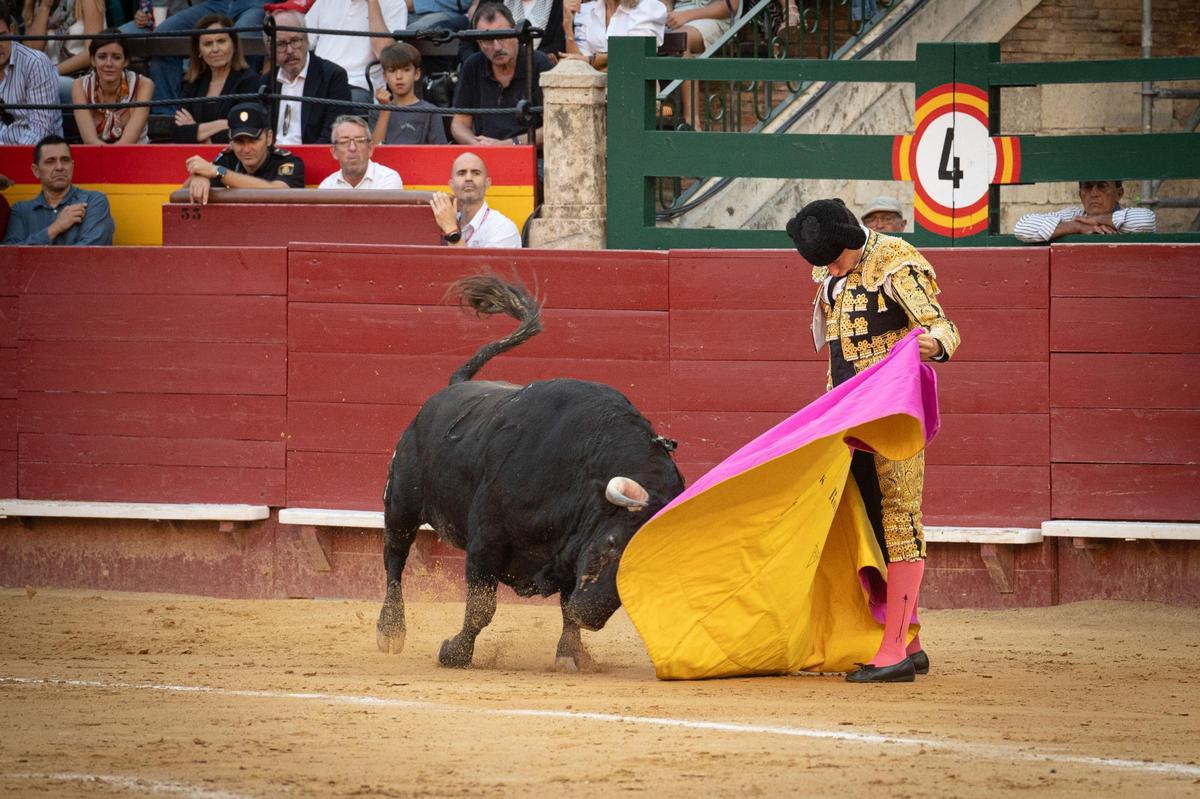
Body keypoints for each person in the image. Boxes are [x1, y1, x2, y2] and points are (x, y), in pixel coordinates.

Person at [786, 197, 959, 683]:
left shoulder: (895, 262)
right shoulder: (829, 272)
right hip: (846, 416)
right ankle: (911, 641)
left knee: (900, 520)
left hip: (892, 415)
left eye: (833, 258)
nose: (828, 268)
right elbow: (836, 356)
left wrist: (933, 344)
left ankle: (893, 653)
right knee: (863, 520)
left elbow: (944, 327)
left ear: (848, 240)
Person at [451, 3, 551, 147]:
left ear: (516, 34)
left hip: (532, 155)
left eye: (503, 36)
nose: (497, 47)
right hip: (485, 153)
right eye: (488, 40)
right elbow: (459, 123)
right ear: (479, 42)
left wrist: (508, 144)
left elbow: (553, 126)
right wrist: (475, 143)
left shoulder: (539, 63)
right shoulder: (473, 65)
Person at [142, 0, 264, 106]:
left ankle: (241, 110)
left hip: (255, 3)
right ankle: (166, 114)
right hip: (216, 3)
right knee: (162, 36)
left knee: (242, 38)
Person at [182, 102, 306, 205]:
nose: (246, 149)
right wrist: (198, 177)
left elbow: (280, 192)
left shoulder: (287, 162)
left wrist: (218, 172)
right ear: (230, 140)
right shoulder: (227, 159)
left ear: (269, 138)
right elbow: (179, 196)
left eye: (254, 140)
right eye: (239, 142)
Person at [4, 134, 114, 245]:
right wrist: (54, 228)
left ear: (72, 166)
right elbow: (9, 256)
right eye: (50, 161)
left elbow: (90, 254)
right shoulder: (21, 211)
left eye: (65, 160)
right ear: (36, 170)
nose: (59, 167)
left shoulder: (93, 202)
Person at [263, 11, 352, 146]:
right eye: (281, 44)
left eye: (295, 41)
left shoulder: (333, 76)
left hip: (312, 158)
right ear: (270, 50)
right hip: (272, 160)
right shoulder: (265, 82)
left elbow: (334, 133)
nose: (290, 50)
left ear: (306, 40)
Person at [172, 14, 261, 143]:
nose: (215, 49)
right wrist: (223, 124)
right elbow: (177, 132)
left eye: (221, 41)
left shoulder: (248, 81)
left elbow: (243, 130)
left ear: (234, 44)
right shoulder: (193, 82)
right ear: (199, 50)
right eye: (208, 44)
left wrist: (195, 130)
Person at [305, 0, 407, 106]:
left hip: (358, 86)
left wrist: (372, 2)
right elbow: (303, 40)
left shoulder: (395, 3)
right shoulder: (325, 2)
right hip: (319, 80)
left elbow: (386, 55)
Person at [70, 31, 154, 144]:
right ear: (92, 60)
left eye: (116, 57)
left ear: (126, 61)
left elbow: (128, 142)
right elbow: (90, 140)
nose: (109, 63)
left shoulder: (144, 85)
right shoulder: (79, 86)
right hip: (97, 156)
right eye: (102, 57)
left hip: (136, 156)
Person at [0, 1, 63, 144]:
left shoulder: (35, 63)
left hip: (38, 156)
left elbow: (40, 131)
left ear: (11, 30)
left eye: (1, 36)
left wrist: (9, 158)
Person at [1013, 180, 1157, 243]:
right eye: (1087, 187)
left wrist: (1096, 220)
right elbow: (1022, 227)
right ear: (1081, 195)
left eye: (1102, 186)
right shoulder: (1074, 217)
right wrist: (1078, 227)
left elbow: (1147, 220)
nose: (1094, 194)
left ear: (1119, 194)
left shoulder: (1127, 217)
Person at [431, 151, 521, 247]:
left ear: (487, 183)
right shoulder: (442, 219)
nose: (468, 178)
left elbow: (471, 263)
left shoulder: (503, 228)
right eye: (461, 173)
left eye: (476, 173)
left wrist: (451, 230)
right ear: (451, 184)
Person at [22, 0, 106, 102]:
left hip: (82, 76)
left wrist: (52, 72)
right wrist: (45, 7)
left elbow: (92, 53)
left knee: (39, 88)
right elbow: (30, 52)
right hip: (47, 77)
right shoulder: (37, 4)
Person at [369, 41, 446, 145]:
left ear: (417, 74)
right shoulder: (376, 111)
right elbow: (373, 152)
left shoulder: (430, 112)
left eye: (406, 70)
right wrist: (385, 112)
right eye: (392, 71)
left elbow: (439, 153)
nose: (399, 76)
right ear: (385, 76)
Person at [561, 0, 665, 70]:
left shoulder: (649, 7)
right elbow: (578, 65)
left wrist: (591, 61)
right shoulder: (586, 11)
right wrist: (568, 26)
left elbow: (635, 54)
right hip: (593, 91)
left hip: (634, 90)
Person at [318, 115, 404, 189]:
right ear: (334, 151)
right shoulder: (327, 186)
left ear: (370, 148)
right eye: (344, 141)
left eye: (359, 140)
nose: (352, 148)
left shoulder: (388, 178)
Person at [664, 0, 734, 55]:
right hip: (676, 15)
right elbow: (666, 3)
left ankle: (686, 72)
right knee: (655, 38)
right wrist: (666, 14)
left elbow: (732, 5)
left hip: (714, 18)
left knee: (677, 39)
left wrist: (686, 15)